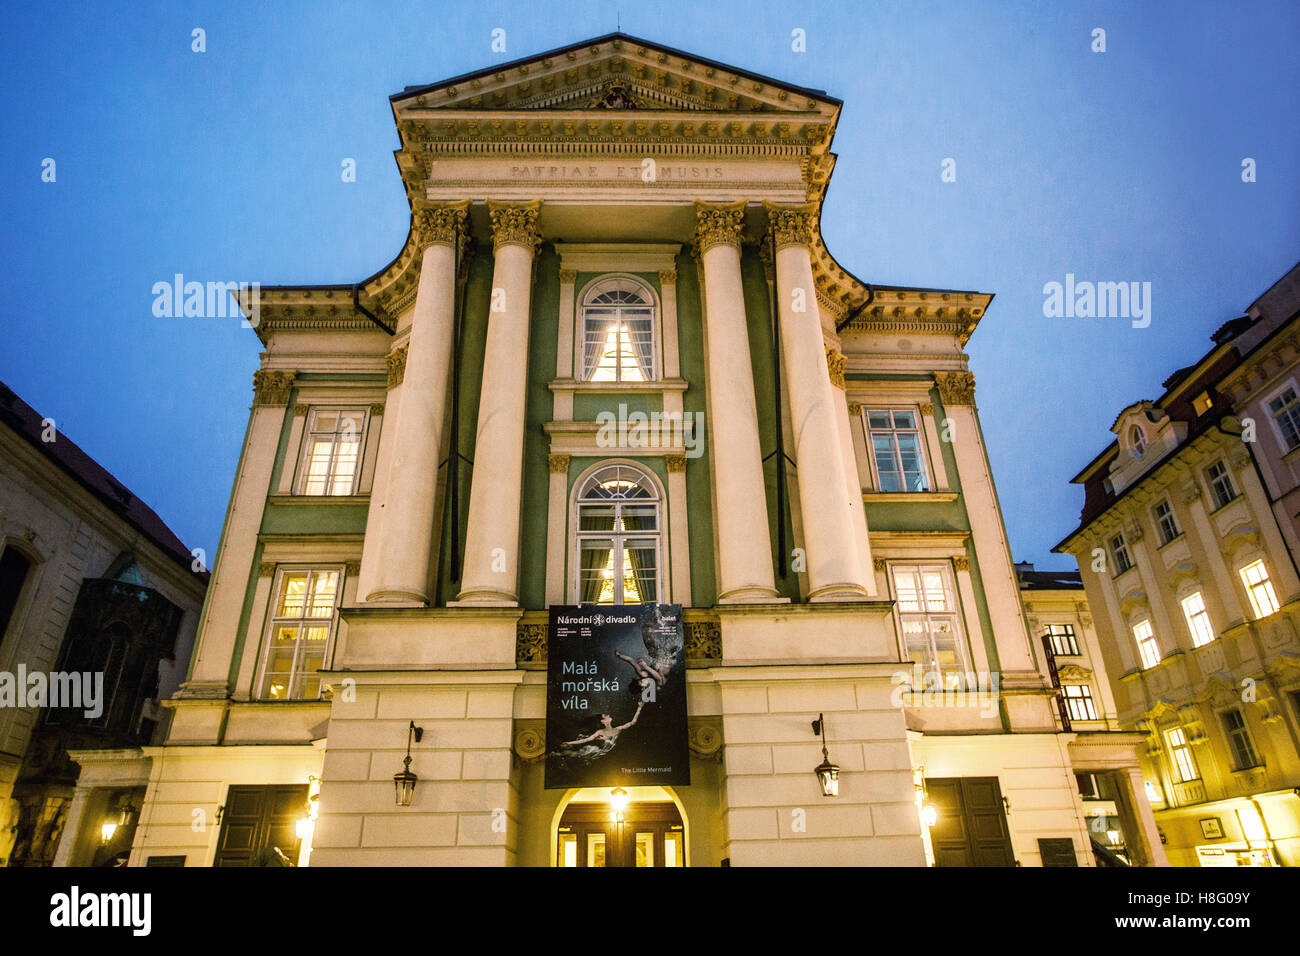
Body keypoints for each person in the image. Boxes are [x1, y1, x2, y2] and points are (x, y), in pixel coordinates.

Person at [556, 701, 645, 761]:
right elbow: (584, 740)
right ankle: (556, 754)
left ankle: (558, 754)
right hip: (595, 752)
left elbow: (632, 722)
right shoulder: (600, 732)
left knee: (574, 754)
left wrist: (639, 707)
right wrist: (569, 742)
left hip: (606, 756)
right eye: (606, 715)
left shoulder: (618, 729)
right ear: (603, 721)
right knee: (573, 754)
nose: (609, 715)